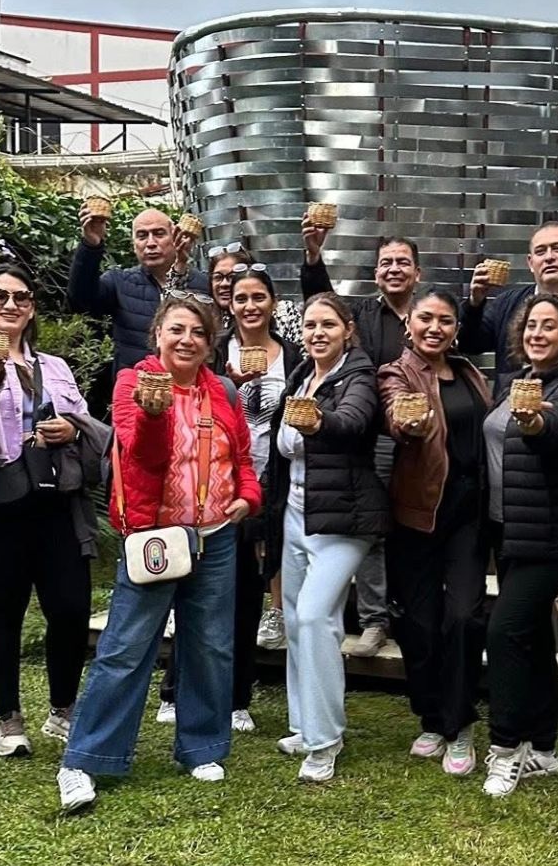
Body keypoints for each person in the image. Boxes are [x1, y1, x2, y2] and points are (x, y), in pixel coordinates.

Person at [57, 294, 260, 812]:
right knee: (126, 647)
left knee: (211, 646)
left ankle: (202, 747)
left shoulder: (223, 391)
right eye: (177, 329)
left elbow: (241, 455)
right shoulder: (135, 382)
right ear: (158, 335)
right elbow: (143, 455)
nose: (187, 340)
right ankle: (84, 759)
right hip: (157, 537)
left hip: (216, 535)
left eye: (198, 332)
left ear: (210, 343)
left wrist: (247, 495)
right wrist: (154, 413)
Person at [0, 264, 100, 758]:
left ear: (32, 308)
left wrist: (69, 429)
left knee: (70, 606)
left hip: (53, 495)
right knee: (4, 606)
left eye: (21, 297)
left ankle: (63, 709)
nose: (11, 305)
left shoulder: (54, 366)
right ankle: (8, 720)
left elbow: (82, 419)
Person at [459, 218, 558, 683]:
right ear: (529, 262)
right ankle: (529, 641)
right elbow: (472, 341)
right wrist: (475, 302)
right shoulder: (511, 301)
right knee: (522, 565)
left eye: (557, 248)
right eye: (540, 251)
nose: (549, 257)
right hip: (512, 445)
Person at [268, 292, 389, 782]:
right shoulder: (302, 375)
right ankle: (304, 724)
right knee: (297, 620)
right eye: (310, 325)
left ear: (347, 331)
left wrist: (320, 421)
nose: (317, 333)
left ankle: (325, 741)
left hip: (344, 517)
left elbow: (354, 422)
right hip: (297, 513)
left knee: (317, 616)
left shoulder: (359, 375)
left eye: (328, 325)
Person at [482, 294, 558, 797]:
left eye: (549, 326)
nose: (537, 333)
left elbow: (556, 428)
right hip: (507, 532)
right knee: (529, 637)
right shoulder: (511, 382)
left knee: (504, 632)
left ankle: (506, 748)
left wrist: (534, 421)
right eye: (531, 325)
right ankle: (544, 748)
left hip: (549, 539)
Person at [378, 286, 491, 778]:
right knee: (419, 624)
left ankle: (459, 722)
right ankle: (430, 715)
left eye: (445, 320)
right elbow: (396, 411)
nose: (434, 328)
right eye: (426, 318)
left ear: (456, 329)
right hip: (418, 513)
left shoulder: (469, 374)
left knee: (463, 616)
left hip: (469, 512)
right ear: (410, 324)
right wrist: (410, 426)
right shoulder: (396, 373)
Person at [301, 219, 421, 658]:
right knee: (374, 529)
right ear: (375, 273)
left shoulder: (429, 314)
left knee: (418, 527)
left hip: (426, 438)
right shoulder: (364, 316)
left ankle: (414, 612)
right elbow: (324, 303)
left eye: (402, 262)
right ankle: (374, 620)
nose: (394, 269)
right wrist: (314, 256)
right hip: (378, 435)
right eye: (386, 263)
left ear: (418, 272)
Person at [212, 268, 302, 733]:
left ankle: (238, 696)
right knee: (210, 589)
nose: (250, 306)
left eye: (258, 297)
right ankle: (181, 687)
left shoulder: (292, 355)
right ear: (229, 304)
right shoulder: (214, 351)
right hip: (218, 482)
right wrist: (227, 386)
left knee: (250, 589)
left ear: (272, 303)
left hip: (274, 480)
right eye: (241, 298)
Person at [68, 204, 210, 372]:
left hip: (191, 382)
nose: (151, 243)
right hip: (136, 383)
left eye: (159, 234)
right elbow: (81, 300)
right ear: (134, 244)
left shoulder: (202, 285)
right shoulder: (120, 282)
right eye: (142, 236)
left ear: (175, 236)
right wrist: (91, 245)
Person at [207, 243, 302, 342]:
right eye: (218, 277)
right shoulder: (212, 323)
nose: (224, 284)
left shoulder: (284, 313)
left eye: (232, 276)